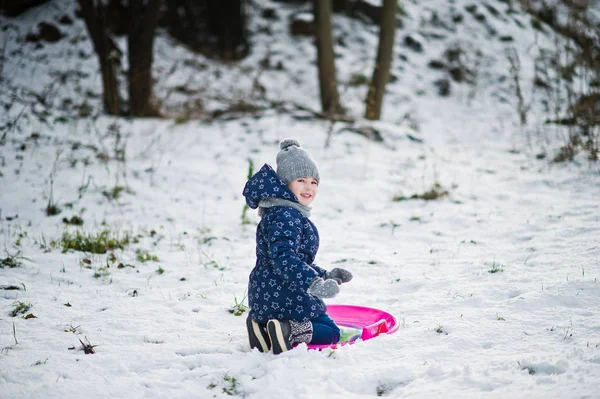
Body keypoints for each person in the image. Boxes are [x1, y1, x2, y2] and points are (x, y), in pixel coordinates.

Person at [242, 138, 353, 354]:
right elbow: (285, 258)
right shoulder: (287, 215)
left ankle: (263, 328)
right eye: (301, 180)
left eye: (314, 182)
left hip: (263, 296)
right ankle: (288, 330)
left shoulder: (280, 213)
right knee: (331, 331)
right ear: (285, 184)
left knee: (296, 315)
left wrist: (326, 274)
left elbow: (295, 260)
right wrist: (313, 283)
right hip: (287, 293)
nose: (308, 187)